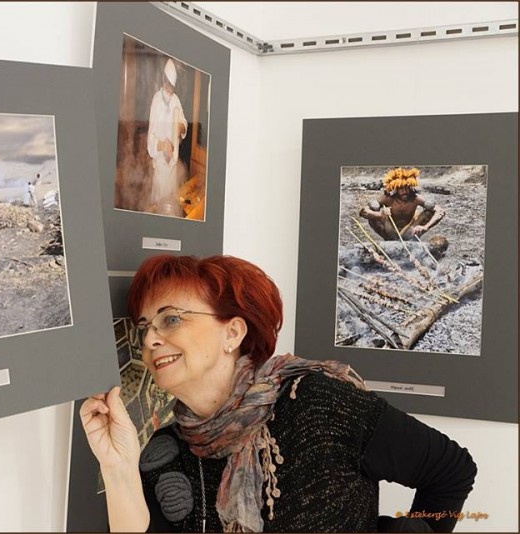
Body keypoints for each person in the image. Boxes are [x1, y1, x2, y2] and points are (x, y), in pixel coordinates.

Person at [80, 254, 476, 533]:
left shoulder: (317, 403)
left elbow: (451, 472)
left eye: (171, 319)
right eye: (145, 326)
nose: (150, 339)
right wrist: (117, 467)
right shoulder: (164, 453)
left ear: (233, 333)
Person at [146, 58, 188, 216]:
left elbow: (184, 122)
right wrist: (163, 145)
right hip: (161, 168)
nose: (170, 90)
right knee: (159, 208)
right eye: (168, 85)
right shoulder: (156, 100)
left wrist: (180, 127)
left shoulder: (176, 100)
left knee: (172, 208)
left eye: (172, 87)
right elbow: (150, 141)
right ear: (164, 80)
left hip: (173, 168)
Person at [359, 167, 445, 240]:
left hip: (410, 231)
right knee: (373, 212)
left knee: (429, 212)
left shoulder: (416, 198)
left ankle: (411, 239)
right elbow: (363, 212)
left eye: (407, 188)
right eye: (401, 189)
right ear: (395, 189)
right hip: (389, 232)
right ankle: (389, 240)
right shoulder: (387, 198)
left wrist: (426, 227)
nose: (405, 191)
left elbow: (440, 211)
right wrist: (380, 215)